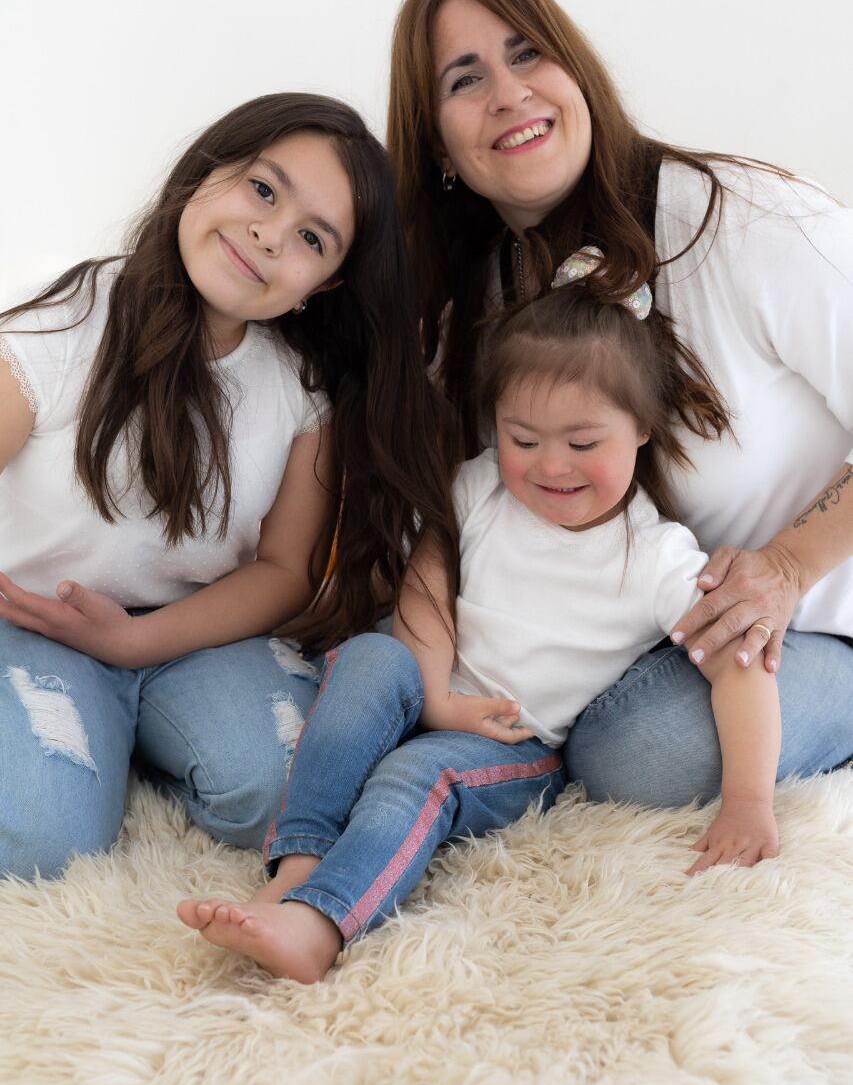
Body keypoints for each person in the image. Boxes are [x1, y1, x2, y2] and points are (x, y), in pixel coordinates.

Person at [177, 273, 782, 983]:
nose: (551, 466)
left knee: (416, 772)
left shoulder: (654, 557)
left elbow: (737, 666)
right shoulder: (480, 487)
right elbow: (427, 587)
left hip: (516, 747)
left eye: (584, 443)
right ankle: (300, 860)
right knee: (371, 654)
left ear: (641, 429)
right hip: (428, 692)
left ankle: (321, 923)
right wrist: (432, 693)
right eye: (522, 438)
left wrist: (748, 802)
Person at [385, 0, 853, 807]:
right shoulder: (473, 303)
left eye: (528, 54)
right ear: (438, 146)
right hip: (654, 635)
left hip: (820, 621)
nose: (508, 93)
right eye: (465, 78)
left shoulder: (742, 221)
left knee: (637, 753)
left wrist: (787, 566)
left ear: (577, 71)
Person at [0, 92, 457, 881]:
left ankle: (140, 722)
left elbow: (283, 571)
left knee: (295, 793)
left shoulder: (298, 388)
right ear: (206, 173)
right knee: (43, 839)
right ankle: (88, 728)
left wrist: (136, 642)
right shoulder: (67, 322)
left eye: (311, 238)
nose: (269, 235)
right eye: (263, 190)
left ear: (325, 284)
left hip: (196, 635)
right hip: (37, 619)